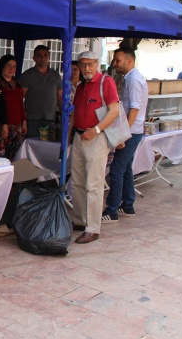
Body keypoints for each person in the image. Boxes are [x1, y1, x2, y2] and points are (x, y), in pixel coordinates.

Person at [69, 51, 119, 244]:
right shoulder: (81, 86)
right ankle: (81, 220)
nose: (86, 68)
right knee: (77, 183)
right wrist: (69, 136)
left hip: (96, 138)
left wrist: (96, 130)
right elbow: (75, 114)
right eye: (83, 64)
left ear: (97, 63)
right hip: (79, 136)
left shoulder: (105, 82)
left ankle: (93, 228)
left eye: (90, 64)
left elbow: (114, 111)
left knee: (94, 185)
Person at [102, 47, 148, 223]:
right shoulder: (131, 78)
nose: (115, 64)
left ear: (129, 61)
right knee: (126, 168)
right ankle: (128, 205)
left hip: (132, 131)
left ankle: (112, 210)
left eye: (118, 60)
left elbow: (134, 108)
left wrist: (123, 134)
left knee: (116, 170)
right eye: (114, 60)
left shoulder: (134, 80)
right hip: (133, 130)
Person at [19, 45, 63, 138]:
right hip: (32, 120)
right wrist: (23, 120)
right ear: (34, 58)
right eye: (39, 55)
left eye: (45, 55)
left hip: (50, 119)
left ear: (49, 57)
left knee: (48, 145)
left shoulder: (56, 75)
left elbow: (60, 98)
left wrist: (63, 116)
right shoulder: (27, 75)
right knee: (32, 144)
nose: (42, 58)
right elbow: (19, 98)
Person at [0, 54, 27, 160]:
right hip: (3, 126)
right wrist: (1, 124)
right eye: (8, 65)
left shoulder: (16, 84)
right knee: (0, 156)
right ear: (2, 66)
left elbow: (20, 104)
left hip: (16, 126)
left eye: (14, 66)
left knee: (14, 156)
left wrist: (24, 122)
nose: (11, 69)